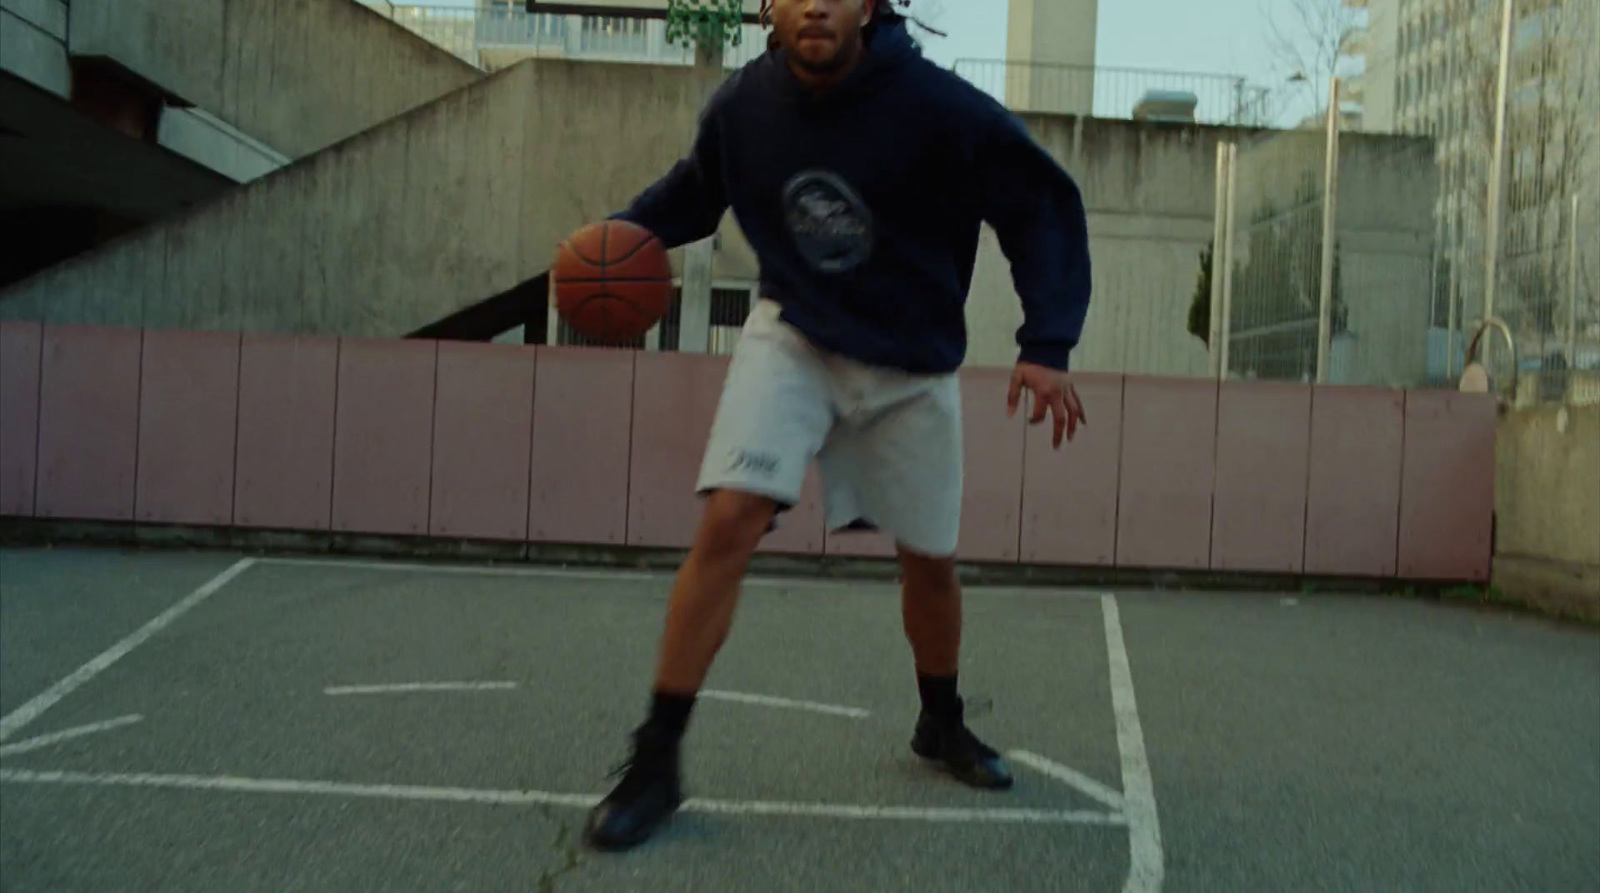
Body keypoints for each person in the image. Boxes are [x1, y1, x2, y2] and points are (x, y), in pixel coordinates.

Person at [583, 0, 1092, 851]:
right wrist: (623, 235)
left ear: (868, 4)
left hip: (910, 359)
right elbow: (695, 193)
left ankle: (941, 720)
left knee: (928, 563)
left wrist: (1048, 340)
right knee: (730, 517)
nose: (813, 2)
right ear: (768, 7)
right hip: (796, 337)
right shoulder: (744, 108)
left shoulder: (937, 108)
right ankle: (656, 759)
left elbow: (1037, 202)